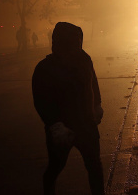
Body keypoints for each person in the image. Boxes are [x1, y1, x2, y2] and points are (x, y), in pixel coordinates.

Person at [32, 22, 104, 195]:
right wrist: (54, 124)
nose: (77, 46)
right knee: (56, 166)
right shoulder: (45, 68)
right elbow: (41, 100)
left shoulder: (84, 59)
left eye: (79, 42)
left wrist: (97, 105)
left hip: (86, 124)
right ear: (59, 43)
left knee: (94, 166)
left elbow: (93, 83)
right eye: (73, 43)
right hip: (62, 128)